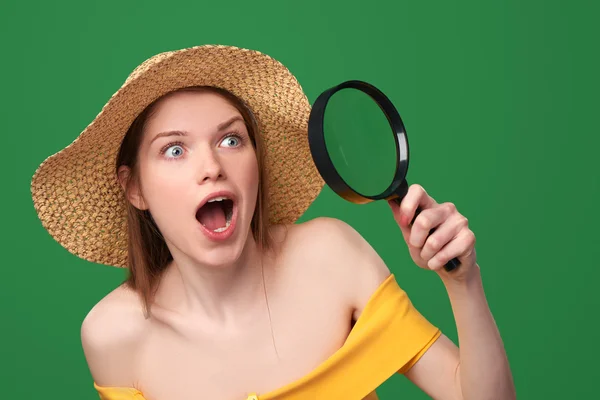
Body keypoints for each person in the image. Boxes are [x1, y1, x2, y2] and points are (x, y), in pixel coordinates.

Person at [31, 45, 515, 400]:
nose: (211, 167)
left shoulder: (329, 256)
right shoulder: (114, 334)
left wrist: (463, 281)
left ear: (256, 164)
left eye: (231, 140)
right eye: (174, 150)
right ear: (134, 187)